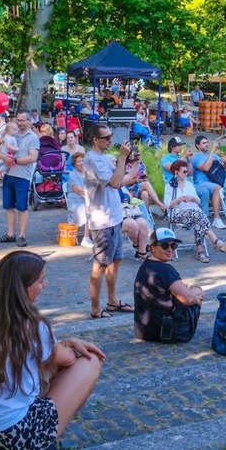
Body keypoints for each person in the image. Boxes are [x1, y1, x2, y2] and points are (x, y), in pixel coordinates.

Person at [0, 251, 104, 450]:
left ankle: (43, 426)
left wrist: (63, 343)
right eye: (41, 280)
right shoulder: (31, 325)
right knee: (91, 361)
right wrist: (69, 343)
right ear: (23, 287)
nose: (45, 286)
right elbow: (68, 359)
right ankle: (45, 440)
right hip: (16, 436)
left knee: (42, 366)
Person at [83, 124, 135, 319]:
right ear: (95, 140)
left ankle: (113, 302)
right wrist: (122, 157)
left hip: (114, 217)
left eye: (111, 136)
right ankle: (95, 309)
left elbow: (120, 179)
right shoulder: (92, 160)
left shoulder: (103, 158)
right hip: (102, 219)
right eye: (106, 138)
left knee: (117, 260)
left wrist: (133, 162)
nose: (110, 141)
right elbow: (113, 183)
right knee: (100, 264)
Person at [133, 229, 204, 343]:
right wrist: (196, 298)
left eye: (173, 246)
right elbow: (188, 299)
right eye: (165, 246)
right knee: (197, 290)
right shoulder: (164, 270)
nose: (170, 250)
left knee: (190, 291)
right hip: (167, 332)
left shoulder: (146, 264)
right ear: (153, 248)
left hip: (144, 331)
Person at [0, 111, 40, 247]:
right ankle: (10, 234)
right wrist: (3, 158)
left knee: (22, 207)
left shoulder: (33, 137)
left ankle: (22, 235)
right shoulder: (9, 132)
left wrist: (15, 160)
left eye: (23, 120)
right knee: (8, 206)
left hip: (22, 176)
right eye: (18, 120)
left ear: (30, 121)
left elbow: (33, 158)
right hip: (9, 174)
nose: (20, 123)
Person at [163, 160, 222, 262]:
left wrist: (192, 198)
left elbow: (198, 201)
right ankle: (212, 242)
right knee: (199, 216)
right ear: (176, 172)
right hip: (177, 214)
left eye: (187, 172)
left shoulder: (189, 185)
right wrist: (179, 199)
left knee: (198, 218)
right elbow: (168, 205)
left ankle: (201, 252)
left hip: (192, 213)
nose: (187, 174)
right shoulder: (170, 186)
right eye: (184, 172)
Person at [189, 136, 226, 229]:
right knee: (218, 188)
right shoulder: (196, 157)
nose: (207, 144)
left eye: (207, 142)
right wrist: (213, 150)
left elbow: (225, 168)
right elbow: (206, 168)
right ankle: (216, 219)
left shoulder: (213, 155)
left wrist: (225, 162)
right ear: (198, 145)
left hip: (215, 181)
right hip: (201, 182)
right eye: (204, 143)